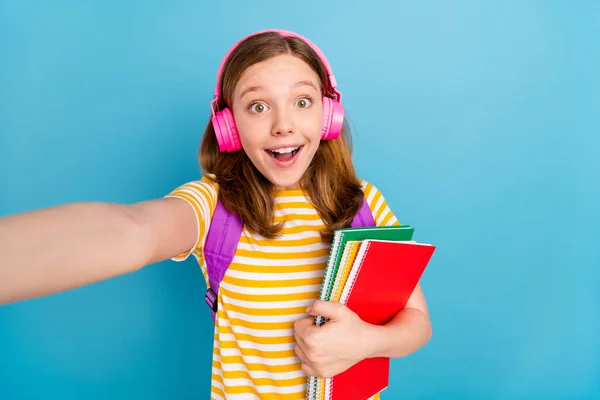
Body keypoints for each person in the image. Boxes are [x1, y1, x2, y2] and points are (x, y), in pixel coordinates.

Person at [0, 29, 432, 399]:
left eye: (302, 101)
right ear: (229, 126)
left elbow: (416, 323)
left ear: (328, 114)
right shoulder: (213, 207)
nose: (282, 124)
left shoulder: (364, 203)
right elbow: (135, 230)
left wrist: (365, 342)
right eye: (258, 106)